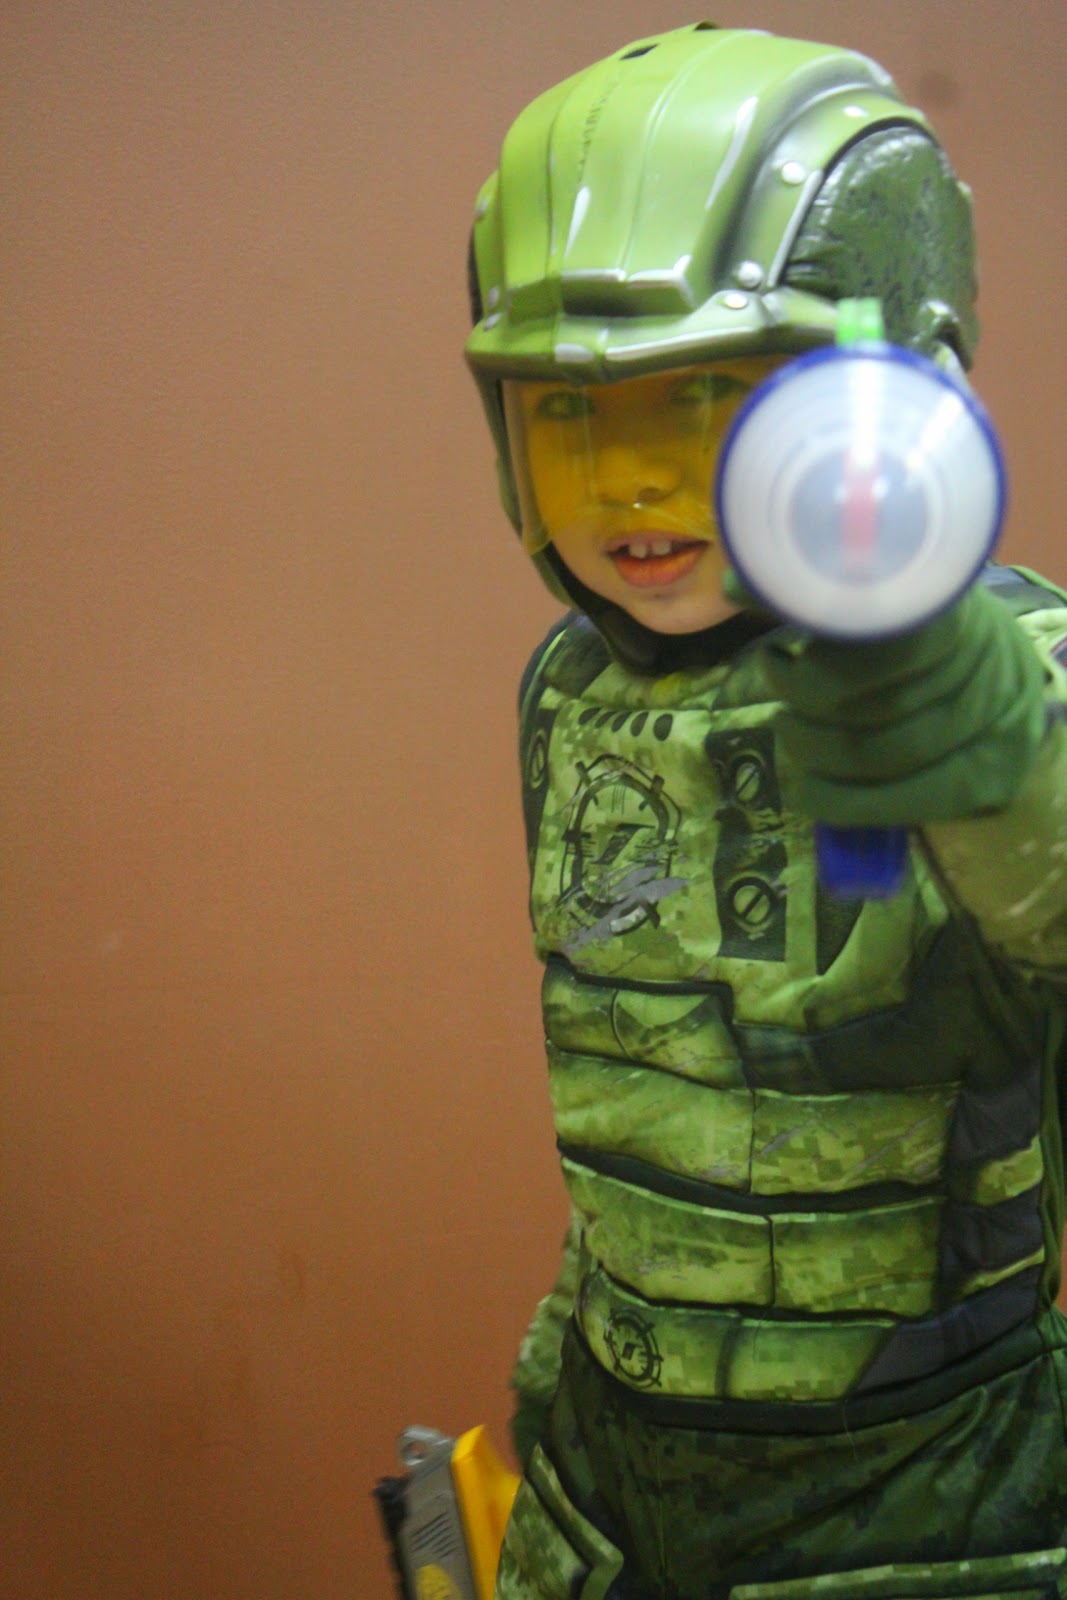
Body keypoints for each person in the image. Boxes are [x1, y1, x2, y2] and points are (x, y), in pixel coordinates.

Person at [464, 23, 1067, 1600]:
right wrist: (564, 1375)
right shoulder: (573, 688)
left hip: (922, 1479)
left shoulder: (1006, 670)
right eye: (568, 411)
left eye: (711, 401)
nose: (630, 485)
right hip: (612, 1460)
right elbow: (628, 1085)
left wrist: (962, 703)